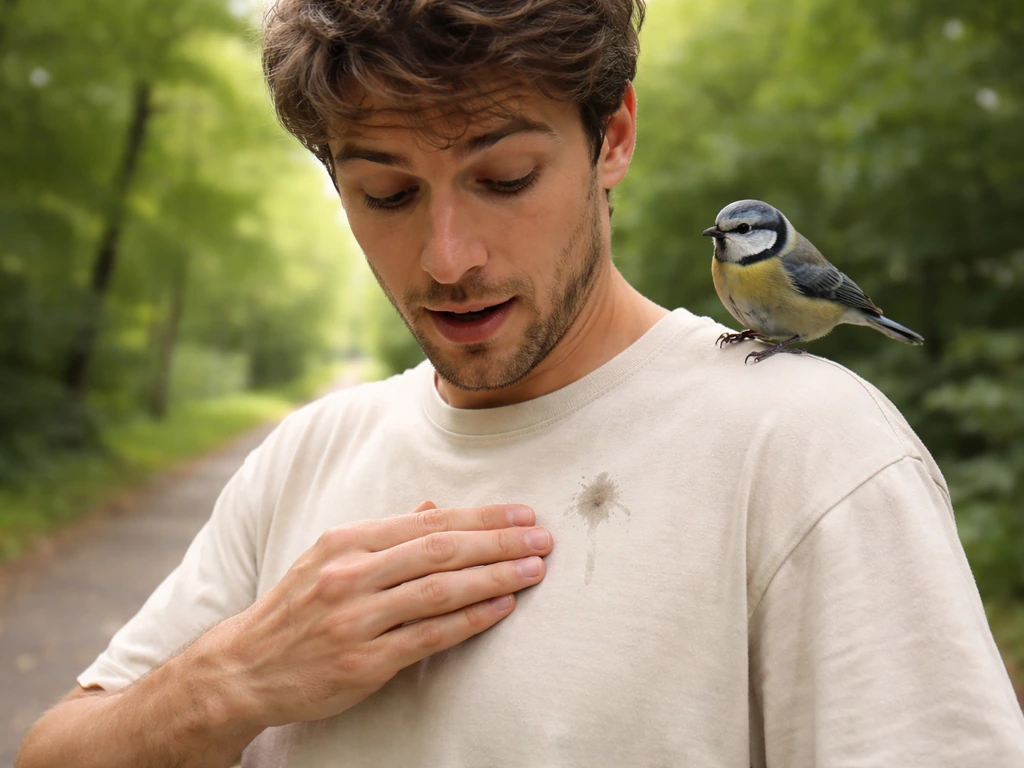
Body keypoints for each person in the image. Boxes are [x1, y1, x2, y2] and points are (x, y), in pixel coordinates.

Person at [16, 1, 1024, 766]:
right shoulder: (304, 456)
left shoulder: (813, 452)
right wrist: (230, 680)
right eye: (387, 193)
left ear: (612, 139)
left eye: (504, 179)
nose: (448, 258)